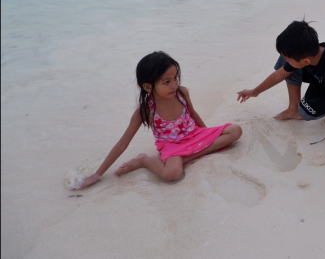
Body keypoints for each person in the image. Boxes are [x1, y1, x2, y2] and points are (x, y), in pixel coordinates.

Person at [74, 51, 242, 189]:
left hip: (195, 134)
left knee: (236, 131)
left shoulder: (182, 93)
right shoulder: (145, 111)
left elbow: (193, 113)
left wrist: (206, 134)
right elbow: (122, 144)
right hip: (172, 146)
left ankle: (189, 156)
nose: (174, 85)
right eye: (167, 82)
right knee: (172, 174)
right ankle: (143, 160)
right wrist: (98, 174)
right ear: (148, 87)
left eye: (175, 78)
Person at [236, 20, 325, 164]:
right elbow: (279, 74)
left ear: (306, 61)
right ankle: (293, 108)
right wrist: (254, 92)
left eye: (289, 59)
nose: (286, 60)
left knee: (306, 113)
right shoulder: (312, 54)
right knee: (285, 59)